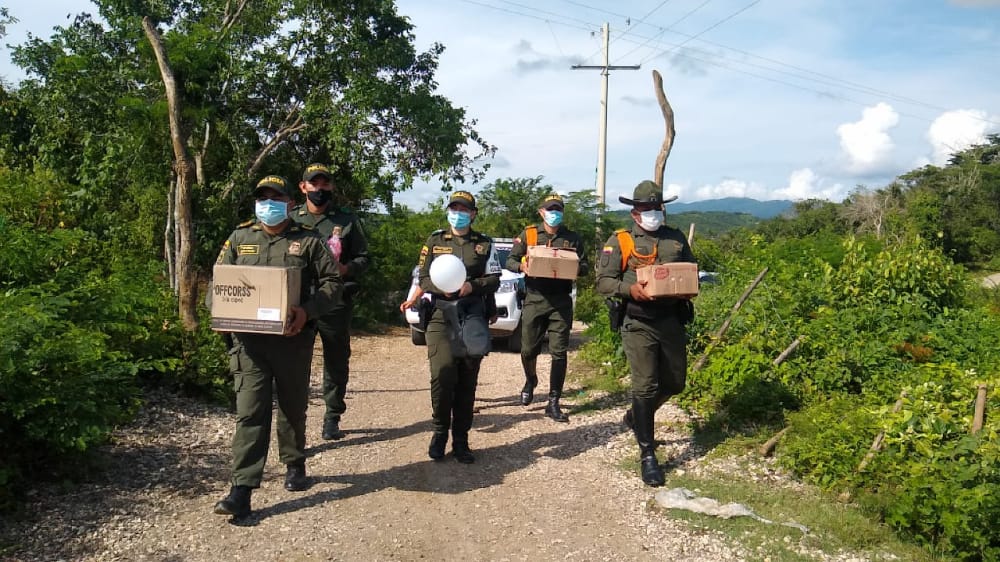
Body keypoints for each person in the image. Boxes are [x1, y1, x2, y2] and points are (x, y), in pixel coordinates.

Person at [210, 175, 344, 518]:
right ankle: (241, 489)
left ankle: (294, 462)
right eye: (262, 198)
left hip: (291, 340)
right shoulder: (240, 237)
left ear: (289, 203)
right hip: (249, 344)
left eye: (275, 198)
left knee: (292, 405)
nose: (267, 204)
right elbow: (219, 282)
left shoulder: (308, 241)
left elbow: (332, 284)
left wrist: (307, 311)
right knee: (250, 411)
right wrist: (219, 313)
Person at [596, 180, 696, 487]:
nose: (653, 212)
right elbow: (603, 281)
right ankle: (648, 454)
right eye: (646, 208)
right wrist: (630, 290)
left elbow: (691, 271)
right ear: (635, 212)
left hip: (671, 320)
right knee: (645, 386)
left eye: (656, 207)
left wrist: (688, 288)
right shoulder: (621, 240)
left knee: (675, 383)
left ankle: (635, 417)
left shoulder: (675, 237)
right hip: (638, 321)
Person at [417, 190, 501, 463]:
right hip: (440, 313)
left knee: (467, 379)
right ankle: (440, 432)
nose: (458, 213)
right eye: (454, 209)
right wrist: (441, 287)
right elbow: (423, 277)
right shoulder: (435, 240)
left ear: (473, 214)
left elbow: (494, 279)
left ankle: (461, 440)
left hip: (471, 314)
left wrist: (471, 286)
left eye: (464, 210)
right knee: (442, 374)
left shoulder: (484, 244)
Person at [292, 163, 370, 441]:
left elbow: (364, 258)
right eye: (314, 184)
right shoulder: (291, 218)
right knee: (294, 360)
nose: (320, 189)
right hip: (298, 300)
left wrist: (346, 269)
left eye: (325, 184)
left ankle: (332, 416)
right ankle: (295, 417)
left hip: (334, 299)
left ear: (332, 187)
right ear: (303, 187)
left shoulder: (346, 220)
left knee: (336, 358)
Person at [506, 193, 589, 422]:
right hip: (535, 298)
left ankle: (553, 401)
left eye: (558, 209)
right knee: (527, 350)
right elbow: (510, 260)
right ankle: (530, 380)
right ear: (541, 212)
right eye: (550, 209)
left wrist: (573, 266)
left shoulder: (572, 238)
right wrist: (522, 266)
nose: (554, 213)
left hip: (560, 301)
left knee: (559, 352)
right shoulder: (530, 234)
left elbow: (584, 266)